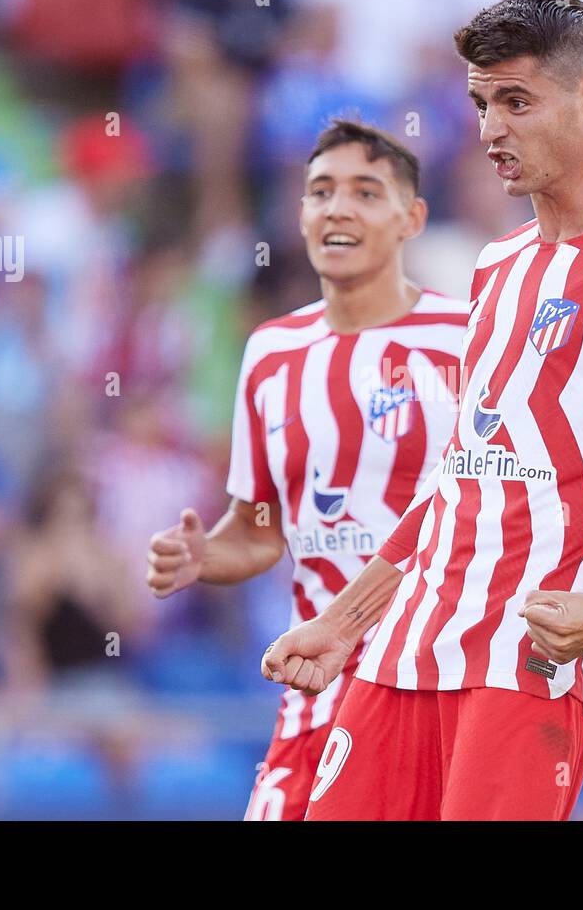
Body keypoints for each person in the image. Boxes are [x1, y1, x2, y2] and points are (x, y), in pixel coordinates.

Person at [262, 0, 583, 821]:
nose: (491, 127)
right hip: (404, 652)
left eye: (517, 101)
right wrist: (347, 621)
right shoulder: (497, 263)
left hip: (524, 666)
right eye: (482, 102)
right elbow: (460, 475)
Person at [145, 120, 468, 820]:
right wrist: (205, 553)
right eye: (320, 192)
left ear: (412, 218)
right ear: (300, 215)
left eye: (365, 191)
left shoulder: (464, 341)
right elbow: (259, 530)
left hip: (431, 685)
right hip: (315, 695)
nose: (338, 208)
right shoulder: (271, 351)